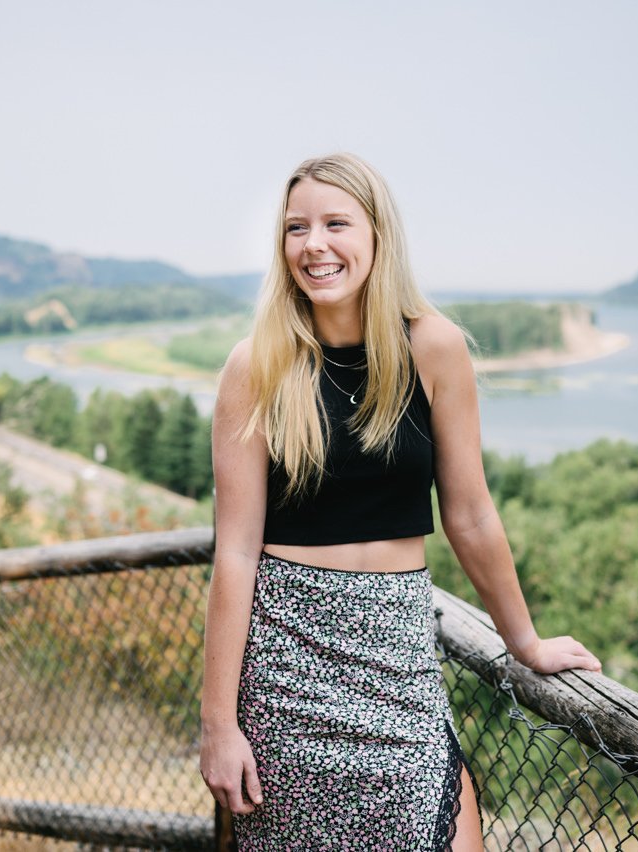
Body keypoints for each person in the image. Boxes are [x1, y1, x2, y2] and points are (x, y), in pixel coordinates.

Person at [200, 153, 601, 851]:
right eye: (297, 228)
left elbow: (471, 514)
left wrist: (524, 641)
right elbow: (234, 552)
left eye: (335, 223)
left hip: (399, 663)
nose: (314, 245)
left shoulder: (433, 348)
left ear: (378, 235)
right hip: (286, 677)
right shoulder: (256, 364)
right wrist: (218, 724)